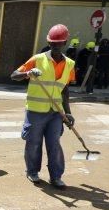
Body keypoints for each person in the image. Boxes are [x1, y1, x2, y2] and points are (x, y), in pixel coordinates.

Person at [11, 23, 76, 190]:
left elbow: (65, 90)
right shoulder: (38, 59)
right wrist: (28, 73)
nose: (54, 47)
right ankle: (32, 171)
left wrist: (68, 114)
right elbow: (14, 75)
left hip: (56, 112)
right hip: (35, 111)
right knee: (33, 143)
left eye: (58, 44)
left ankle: (56, 177)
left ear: (64, 43)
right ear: (48, 43)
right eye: (52, 44)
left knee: (54, 144)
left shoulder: (69, 64)